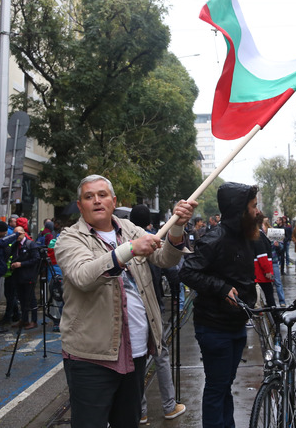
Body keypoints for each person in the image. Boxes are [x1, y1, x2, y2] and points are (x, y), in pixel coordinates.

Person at [55, 175, 196, 428]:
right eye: (89, 197)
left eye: (102, 195)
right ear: (80, 205)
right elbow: (83, 276)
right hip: (91, 357)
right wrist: (129, 249)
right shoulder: (69, 238)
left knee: (128, 422)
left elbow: (165, 259)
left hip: (136, 351)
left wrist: (177, 227)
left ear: (113, 201)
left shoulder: (130, 229)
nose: (97, 201)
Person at [180, 182, 259, 428]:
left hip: (235, 325)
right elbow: (188, 272)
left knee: (225, 385)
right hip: (215, 327)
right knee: (217, 387)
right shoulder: (215, 238)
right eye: (253, 206)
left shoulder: (244, 235)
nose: (257, 211)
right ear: (240, 209)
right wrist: (221, 288)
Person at [129, 204, 188, 424]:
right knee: (160, 356)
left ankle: (141, 410)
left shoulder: (126, 241)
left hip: (133, 309)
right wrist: (175, 293)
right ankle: (169, 405)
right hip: (153, 307)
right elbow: (172, 270)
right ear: (149, 221)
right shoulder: (152, 240)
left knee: (137, 359)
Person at [11, 225, 40, 330]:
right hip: (18, 276)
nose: (16, 236)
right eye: (15, 234)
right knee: (21, 299)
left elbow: (36, 259)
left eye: (18, 233)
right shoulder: (15, 245)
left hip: (29, 276)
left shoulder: (30, 244)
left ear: (23, 233)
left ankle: (34, 320)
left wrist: (21, 264)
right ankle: (24, 319)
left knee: (30, 299)